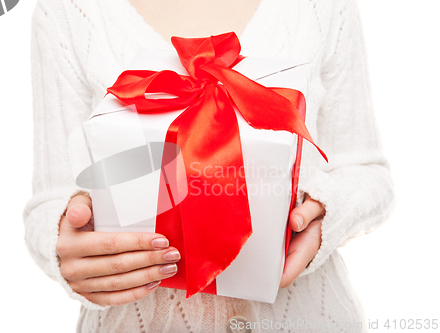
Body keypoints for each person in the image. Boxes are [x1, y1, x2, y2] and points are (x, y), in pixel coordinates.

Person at [24, 0, 395, 332]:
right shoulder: (68, 10)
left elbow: (368, 171)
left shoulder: (323, 6)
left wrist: (322, 218)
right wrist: (65, 247)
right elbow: (49, 201)